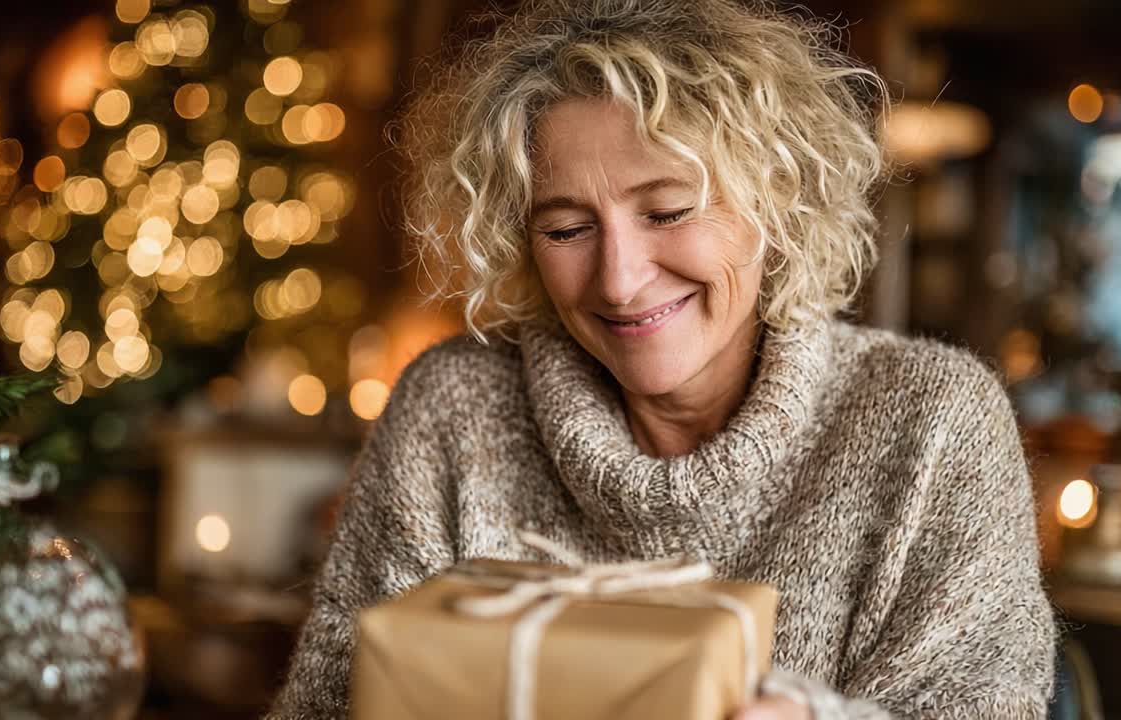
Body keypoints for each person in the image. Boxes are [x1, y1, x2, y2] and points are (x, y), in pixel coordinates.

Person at [266, 1, 1056, 718]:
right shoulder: (450, 411)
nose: (619, 279)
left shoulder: (935, 422)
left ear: (776, 202)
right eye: (567, 229)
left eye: (668, 211)